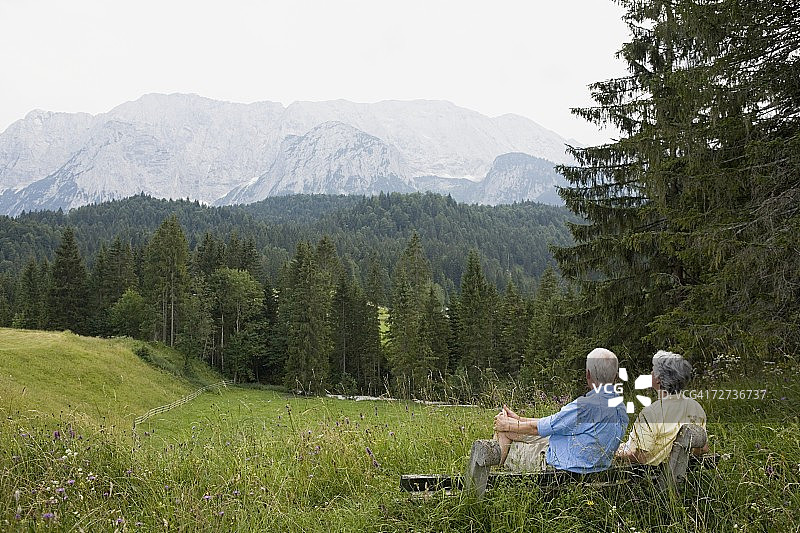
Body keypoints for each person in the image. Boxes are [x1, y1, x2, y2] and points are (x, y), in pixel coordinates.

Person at [493, 348, 629, 474]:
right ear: (616, 376)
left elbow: (539, 429)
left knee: (504, 432)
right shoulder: (621, 409)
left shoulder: (585, 406)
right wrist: (519, 420)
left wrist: (507, 425)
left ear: (588, 374)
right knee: (513, 429)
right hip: (594, 467)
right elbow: (554, 422)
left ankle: (490, 480)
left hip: (559, 468)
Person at [616, 350, 708, 465]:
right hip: (682, 473)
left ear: (658, 378)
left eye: (653, 369)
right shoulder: (696, 407)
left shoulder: (651, 413)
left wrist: (617, 452)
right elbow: (702, 448)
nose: (650, 372)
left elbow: (641, 457)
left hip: (652, 477)